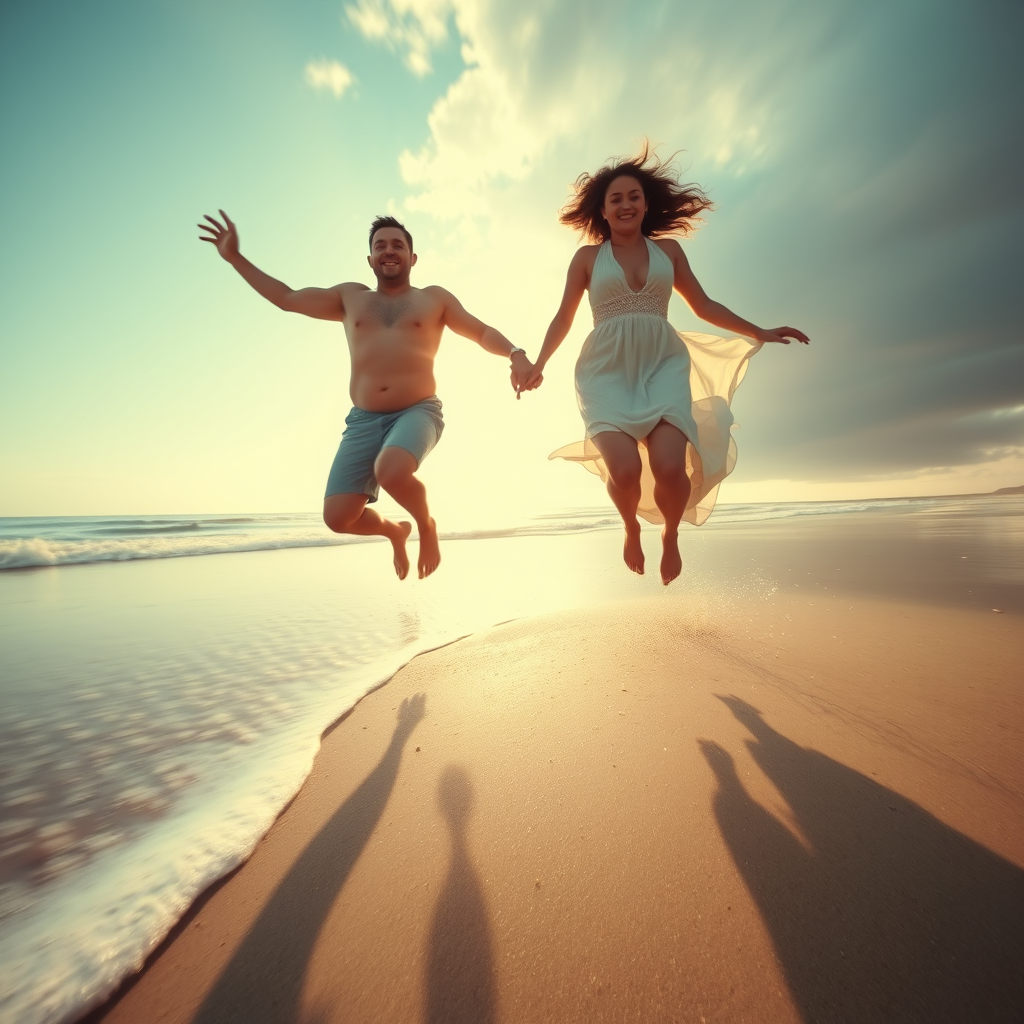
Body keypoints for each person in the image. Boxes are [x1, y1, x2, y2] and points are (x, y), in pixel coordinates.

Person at [521, 147, 808, 585]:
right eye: (615, 198)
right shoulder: (586, 259)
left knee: (671, 467)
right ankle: (631, 526)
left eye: (633, 196)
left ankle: (671, 533)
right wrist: (540, 361)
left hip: (662, 366)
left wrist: (759, 331)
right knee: (625, 470)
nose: (625, 204)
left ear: (646, 203)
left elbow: (704, 305)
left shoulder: (668, 252)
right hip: (605, 371)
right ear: (603, 209)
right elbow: (563, 317)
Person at [199, 211, 533, 580]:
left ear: (413, 257)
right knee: (338, 517)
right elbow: (287, 298)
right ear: (370, 259)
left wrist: (515, 353)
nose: (389, 251)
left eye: (398, 245)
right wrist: (234, 258)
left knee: (390, 471)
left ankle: (425, 524)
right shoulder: (350, 298)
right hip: (363, 420)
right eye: (380, 246)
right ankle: (395, 531)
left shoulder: (433, 299)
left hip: (418, 411)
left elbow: (481, 331)